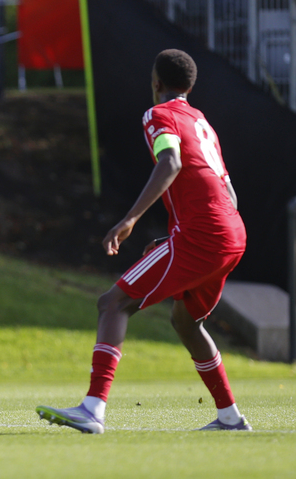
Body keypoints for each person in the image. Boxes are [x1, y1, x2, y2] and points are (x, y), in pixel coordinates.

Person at [35, 49, 249, 433]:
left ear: (156, 82)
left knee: (112, 303)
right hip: (231, 233)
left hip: (203, 235)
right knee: (187, 321)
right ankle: (230, 417)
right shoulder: (202, 122)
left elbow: (171, 163)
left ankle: (92, 408)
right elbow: (228, 195)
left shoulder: (160, 114)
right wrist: (176, 239)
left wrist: (130, 219)